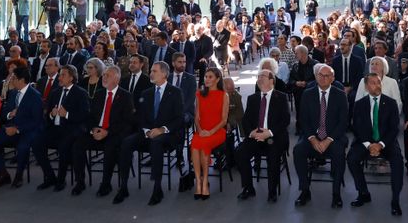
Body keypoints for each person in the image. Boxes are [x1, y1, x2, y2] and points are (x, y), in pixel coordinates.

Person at [116, 61, 183, 206]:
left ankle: (157, 188)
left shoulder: (175, 92)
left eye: (154, 71)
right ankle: (124, 185)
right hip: (147, 132)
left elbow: (179, 119)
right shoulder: (146, 93)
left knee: (156, 142)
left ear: (164, 74)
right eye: (151, 71)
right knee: (127, 143)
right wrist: (146, 131)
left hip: (168, 134)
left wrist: (162, 130)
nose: (151, 74)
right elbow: (141, 117)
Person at [71, 64, 135, 196]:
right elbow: (90, 117)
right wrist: (93, 129)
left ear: (116, 80)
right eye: (104, 75)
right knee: (77, 144)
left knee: (110, 147)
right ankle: (80, 181)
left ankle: (106, 184)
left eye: (108, 75)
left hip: (113, 133)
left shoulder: (125, 96)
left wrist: (108, 132)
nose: (104, 78)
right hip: (97, 131)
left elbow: (128, 123)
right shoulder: (99, 94)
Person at [348, 73, 404, 216]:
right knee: (352, 158)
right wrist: (369, 145)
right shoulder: (360, 104)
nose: (377, 85)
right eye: (373, 83)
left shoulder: (391, 103)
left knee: (398, 161)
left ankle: (395, 200)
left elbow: (394, 128)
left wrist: (380, 144)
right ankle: (363, 192)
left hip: (386, 141)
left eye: (378, 82)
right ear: (366, 87)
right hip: (365, 141)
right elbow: (357, 127)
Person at [293, 64, 349, 209]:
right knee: (298, 151)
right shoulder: (307, 94)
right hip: (312, 136)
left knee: (339, 153)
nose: (323, 78)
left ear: (333, 78)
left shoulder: (340, 94)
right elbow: (303, 120)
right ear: (316, 77)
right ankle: (305, 190)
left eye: (327, 76)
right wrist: (312, 138)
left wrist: (328, 140)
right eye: (320, 75)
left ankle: (336, 193)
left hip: (333, 137)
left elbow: (343, 122)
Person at [236, 69, 290, 203]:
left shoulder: (281, 97)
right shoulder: (252, 98)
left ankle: (272, 191)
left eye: (263, 76)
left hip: (274, 137)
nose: (259, 79)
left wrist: (269, 133)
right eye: (258, 76)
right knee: (240, 152)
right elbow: (246, 119)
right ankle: (248, 188)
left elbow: (285, 120)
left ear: (272, 80)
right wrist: (251, 132)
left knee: (273, 154)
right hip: (256, 136)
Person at [34, 64, 90, 192]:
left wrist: (67, 114)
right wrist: (52, 115)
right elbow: (47, 116)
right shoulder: (55, 93)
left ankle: (62, 180)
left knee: (64, 145)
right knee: (36, 142)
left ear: (71, 78)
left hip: (72, 129)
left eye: (63, 75)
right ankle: (50, 177)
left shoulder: (80, 93)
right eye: (59, 75)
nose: (59, 78)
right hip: (55, 128)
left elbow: (84, 115)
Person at [0, 66, 42, 188]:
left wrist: (17, 129)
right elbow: (3, 113)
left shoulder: (35, 95)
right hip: (11, 128)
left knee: (22, 147)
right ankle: (3, 174)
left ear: (22, 80)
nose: (11, 81)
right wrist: (10, 114)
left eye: (14, 78)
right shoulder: (13, 93)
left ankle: (19, 175)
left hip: (27, 131)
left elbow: (36, 121)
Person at [189, 67, 228, 200]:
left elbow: (224, 120)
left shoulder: (224, 95)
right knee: (195, 143)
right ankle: (198, 181)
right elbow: (196, 116)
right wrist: (200, 130)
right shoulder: (199, 94)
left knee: (202, 144)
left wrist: (210, 132)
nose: (207, 79)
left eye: (210, 77)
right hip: (202, 130)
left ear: (217, 79)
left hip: (217, 131)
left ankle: (205, 181)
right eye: (205, 77)